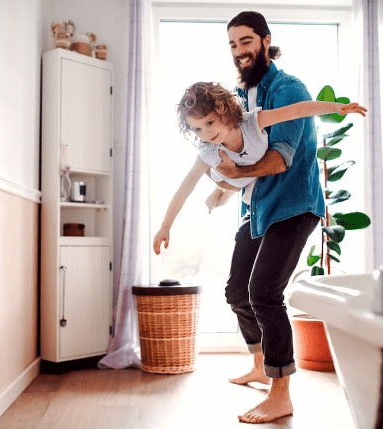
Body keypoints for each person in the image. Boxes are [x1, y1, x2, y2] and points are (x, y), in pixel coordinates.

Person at [216, 11, 349, 424]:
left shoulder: (287, 88)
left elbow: (279, 159)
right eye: (233, 44)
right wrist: (223, 183)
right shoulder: (244, 98)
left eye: (246, 42)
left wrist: (237, 174)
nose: (239, 51)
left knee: (264, 293)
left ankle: (281, 393)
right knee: (237, 291)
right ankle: (260, 364)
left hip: (292, 206)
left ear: (265, 40)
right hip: (257, 208)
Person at [152, 81, 365, 255]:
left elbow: (297, 110)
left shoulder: (252, 122)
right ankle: (220, 191)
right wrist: (165, 227)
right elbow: (184, 189)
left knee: (236, 184)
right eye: (197, 129)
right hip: (228, 181)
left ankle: (222, 191)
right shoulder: (207, 151)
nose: (206, 133)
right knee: (225, 186)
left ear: (224, 111)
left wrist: (336, 108)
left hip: (245, 177)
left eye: (209, 122)